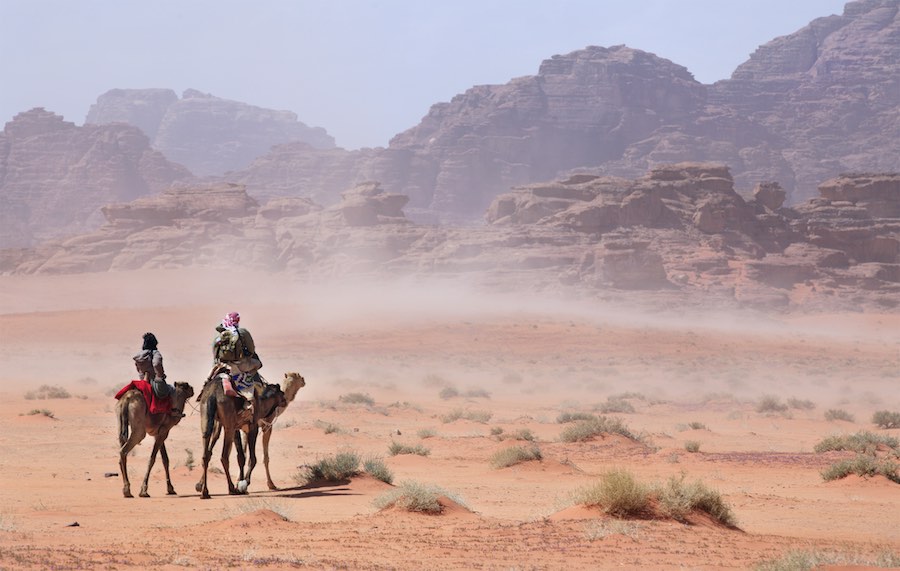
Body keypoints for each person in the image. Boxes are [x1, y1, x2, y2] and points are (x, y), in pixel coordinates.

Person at [211, 312, 264, 397]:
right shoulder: (243, 332)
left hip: (221, 365)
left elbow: (214, 351)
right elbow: (251, 350)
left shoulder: (219, 335)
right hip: (240, 365)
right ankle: (248, 384)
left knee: (210, 379)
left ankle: (204, 389)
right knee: (258, 364)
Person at [133, 332, 183, 417]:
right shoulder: (155, 353)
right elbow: (156, 364)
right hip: (154, 381)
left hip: (143, 381)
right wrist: (160, 375)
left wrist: (141, 374)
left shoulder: (139, 355)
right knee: (173, 390)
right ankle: (173, 411)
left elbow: (137, 367)